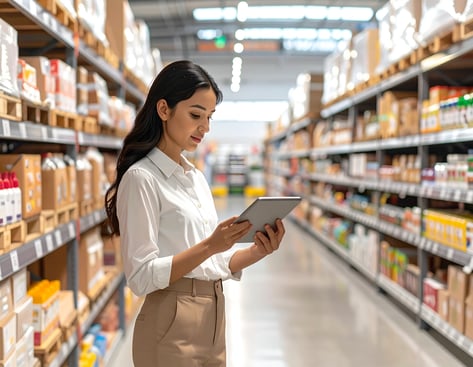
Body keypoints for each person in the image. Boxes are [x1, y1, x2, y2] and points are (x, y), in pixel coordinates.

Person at [105, 60, 286, 367]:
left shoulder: (196, 178)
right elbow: (140, 276)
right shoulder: (142, 179)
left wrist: (258, 250)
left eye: (210, 117)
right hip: (171, 321)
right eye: (195, 115)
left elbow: (212, 263)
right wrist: (210, 245)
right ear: (164, 110)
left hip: (213, 316)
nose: (205, 127)